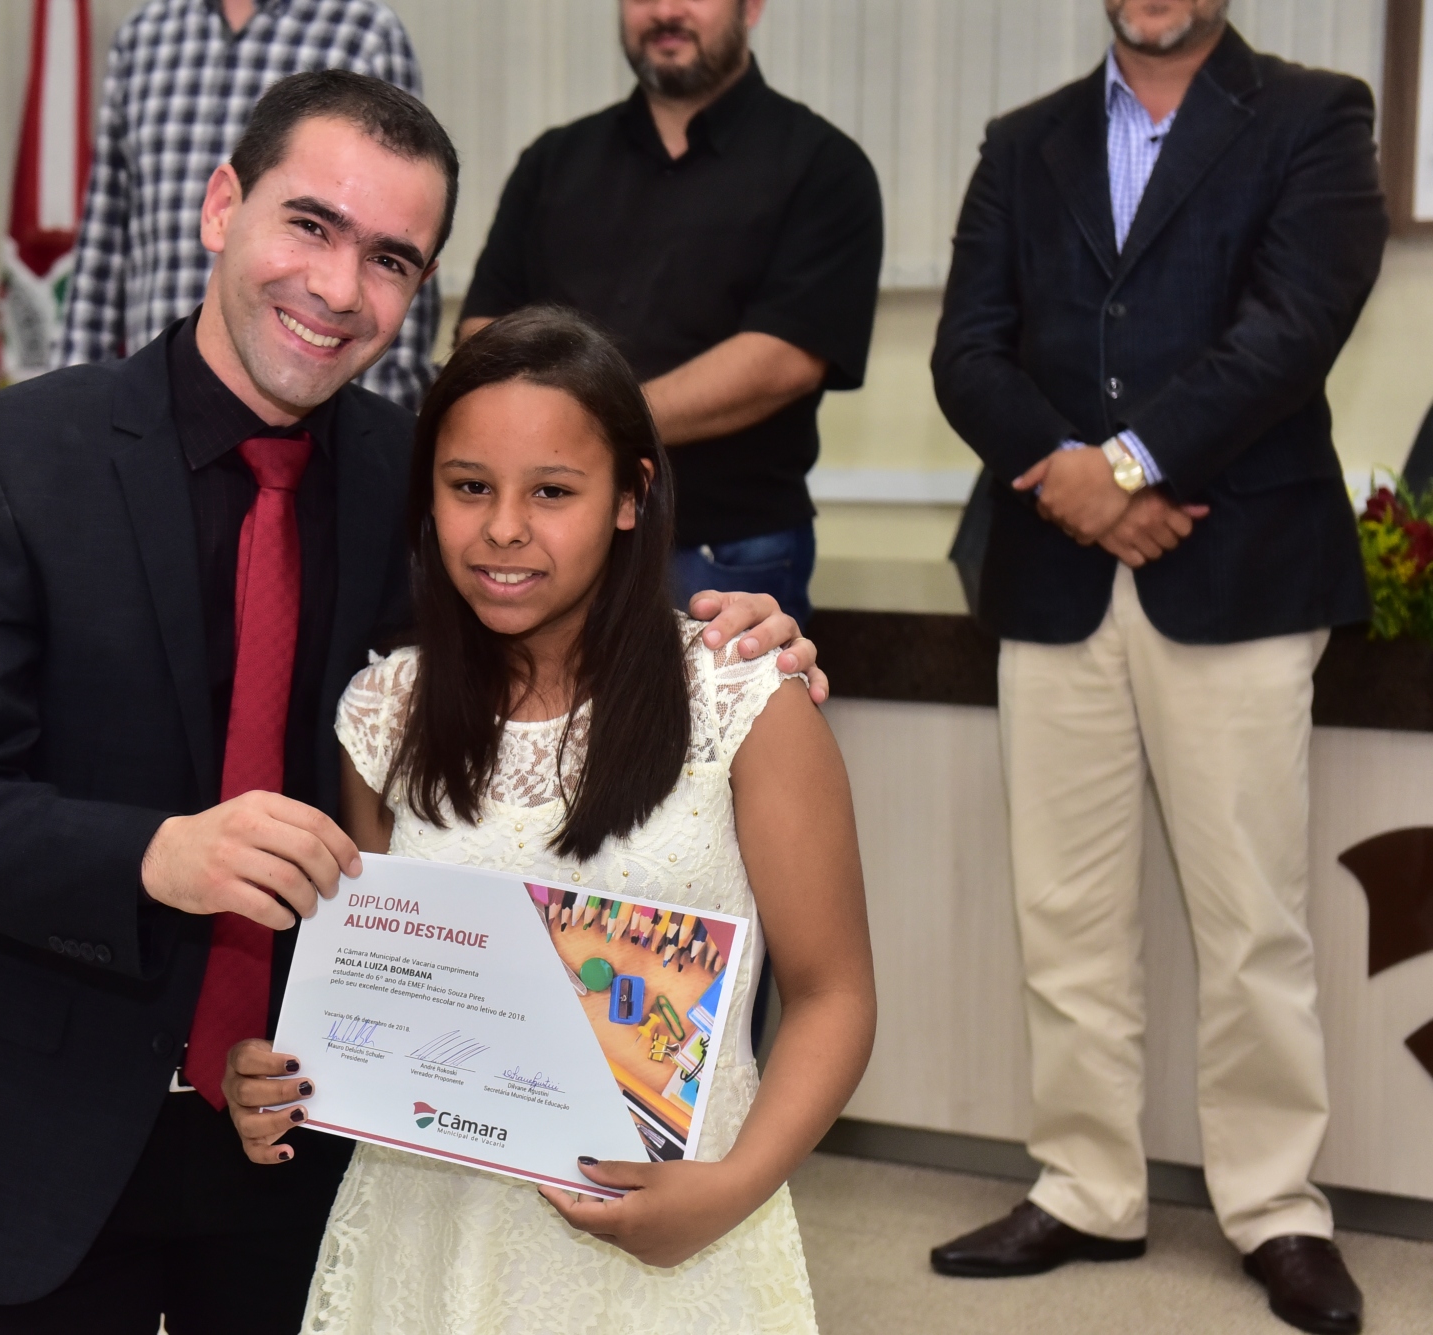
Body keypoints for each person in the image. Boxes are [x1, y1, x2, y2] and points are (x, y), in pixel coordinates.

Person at [0, 71, 822, 1335]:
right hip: (36, 1127)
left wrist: (725, 637)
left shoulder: (419, 478)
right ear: (221, 208)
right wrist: (156, 854)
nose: (335, 287)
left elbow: (538, 629)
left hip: (316, 1134)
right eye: (308, 225)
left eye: (388, 259)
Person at [221, 306, 877, 1334]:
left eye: (553, 491)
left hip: (675, 1232)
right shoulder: (384, 714)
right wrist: (281, 1076)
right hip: (428, 1231)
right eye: (468, 486)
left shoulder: (742, 700)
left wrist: (731, 1187)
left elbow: (833, 993)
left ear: (631, 496)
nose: (503, 528)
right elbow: (371, 987)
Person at [927, 4, 1385, 1332]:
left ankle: (1276, 1205)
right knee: (1063, 914)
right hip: (1052, 575)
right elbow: (966, 348)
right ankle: (1085, 1186)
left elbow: (1293, 325)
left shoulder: (1314, 115)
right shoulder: (1023, 141)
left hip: (1238, 569)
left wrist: (1124, 468)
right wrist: (1071, 483)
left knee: (1251, 919)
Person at [456, 0, 883, 625]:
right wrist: (564, 439)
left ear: (751, 8)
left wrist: (586, 428)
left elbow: (784, 359)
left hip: (722, 552)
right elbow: (483, 331)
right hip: (546, 539)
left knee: (727, 698)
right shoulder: (553, 161)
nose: (664, 11)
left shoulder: (825, 167)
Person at [56, 0, 439, 408]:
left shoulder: (364, 31)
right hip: (149, 406)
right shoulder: (145, 33)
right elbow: (105, 232)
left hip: (319, 415)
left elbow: (401, 220)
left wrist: (373, 431)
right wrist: (73, 406)